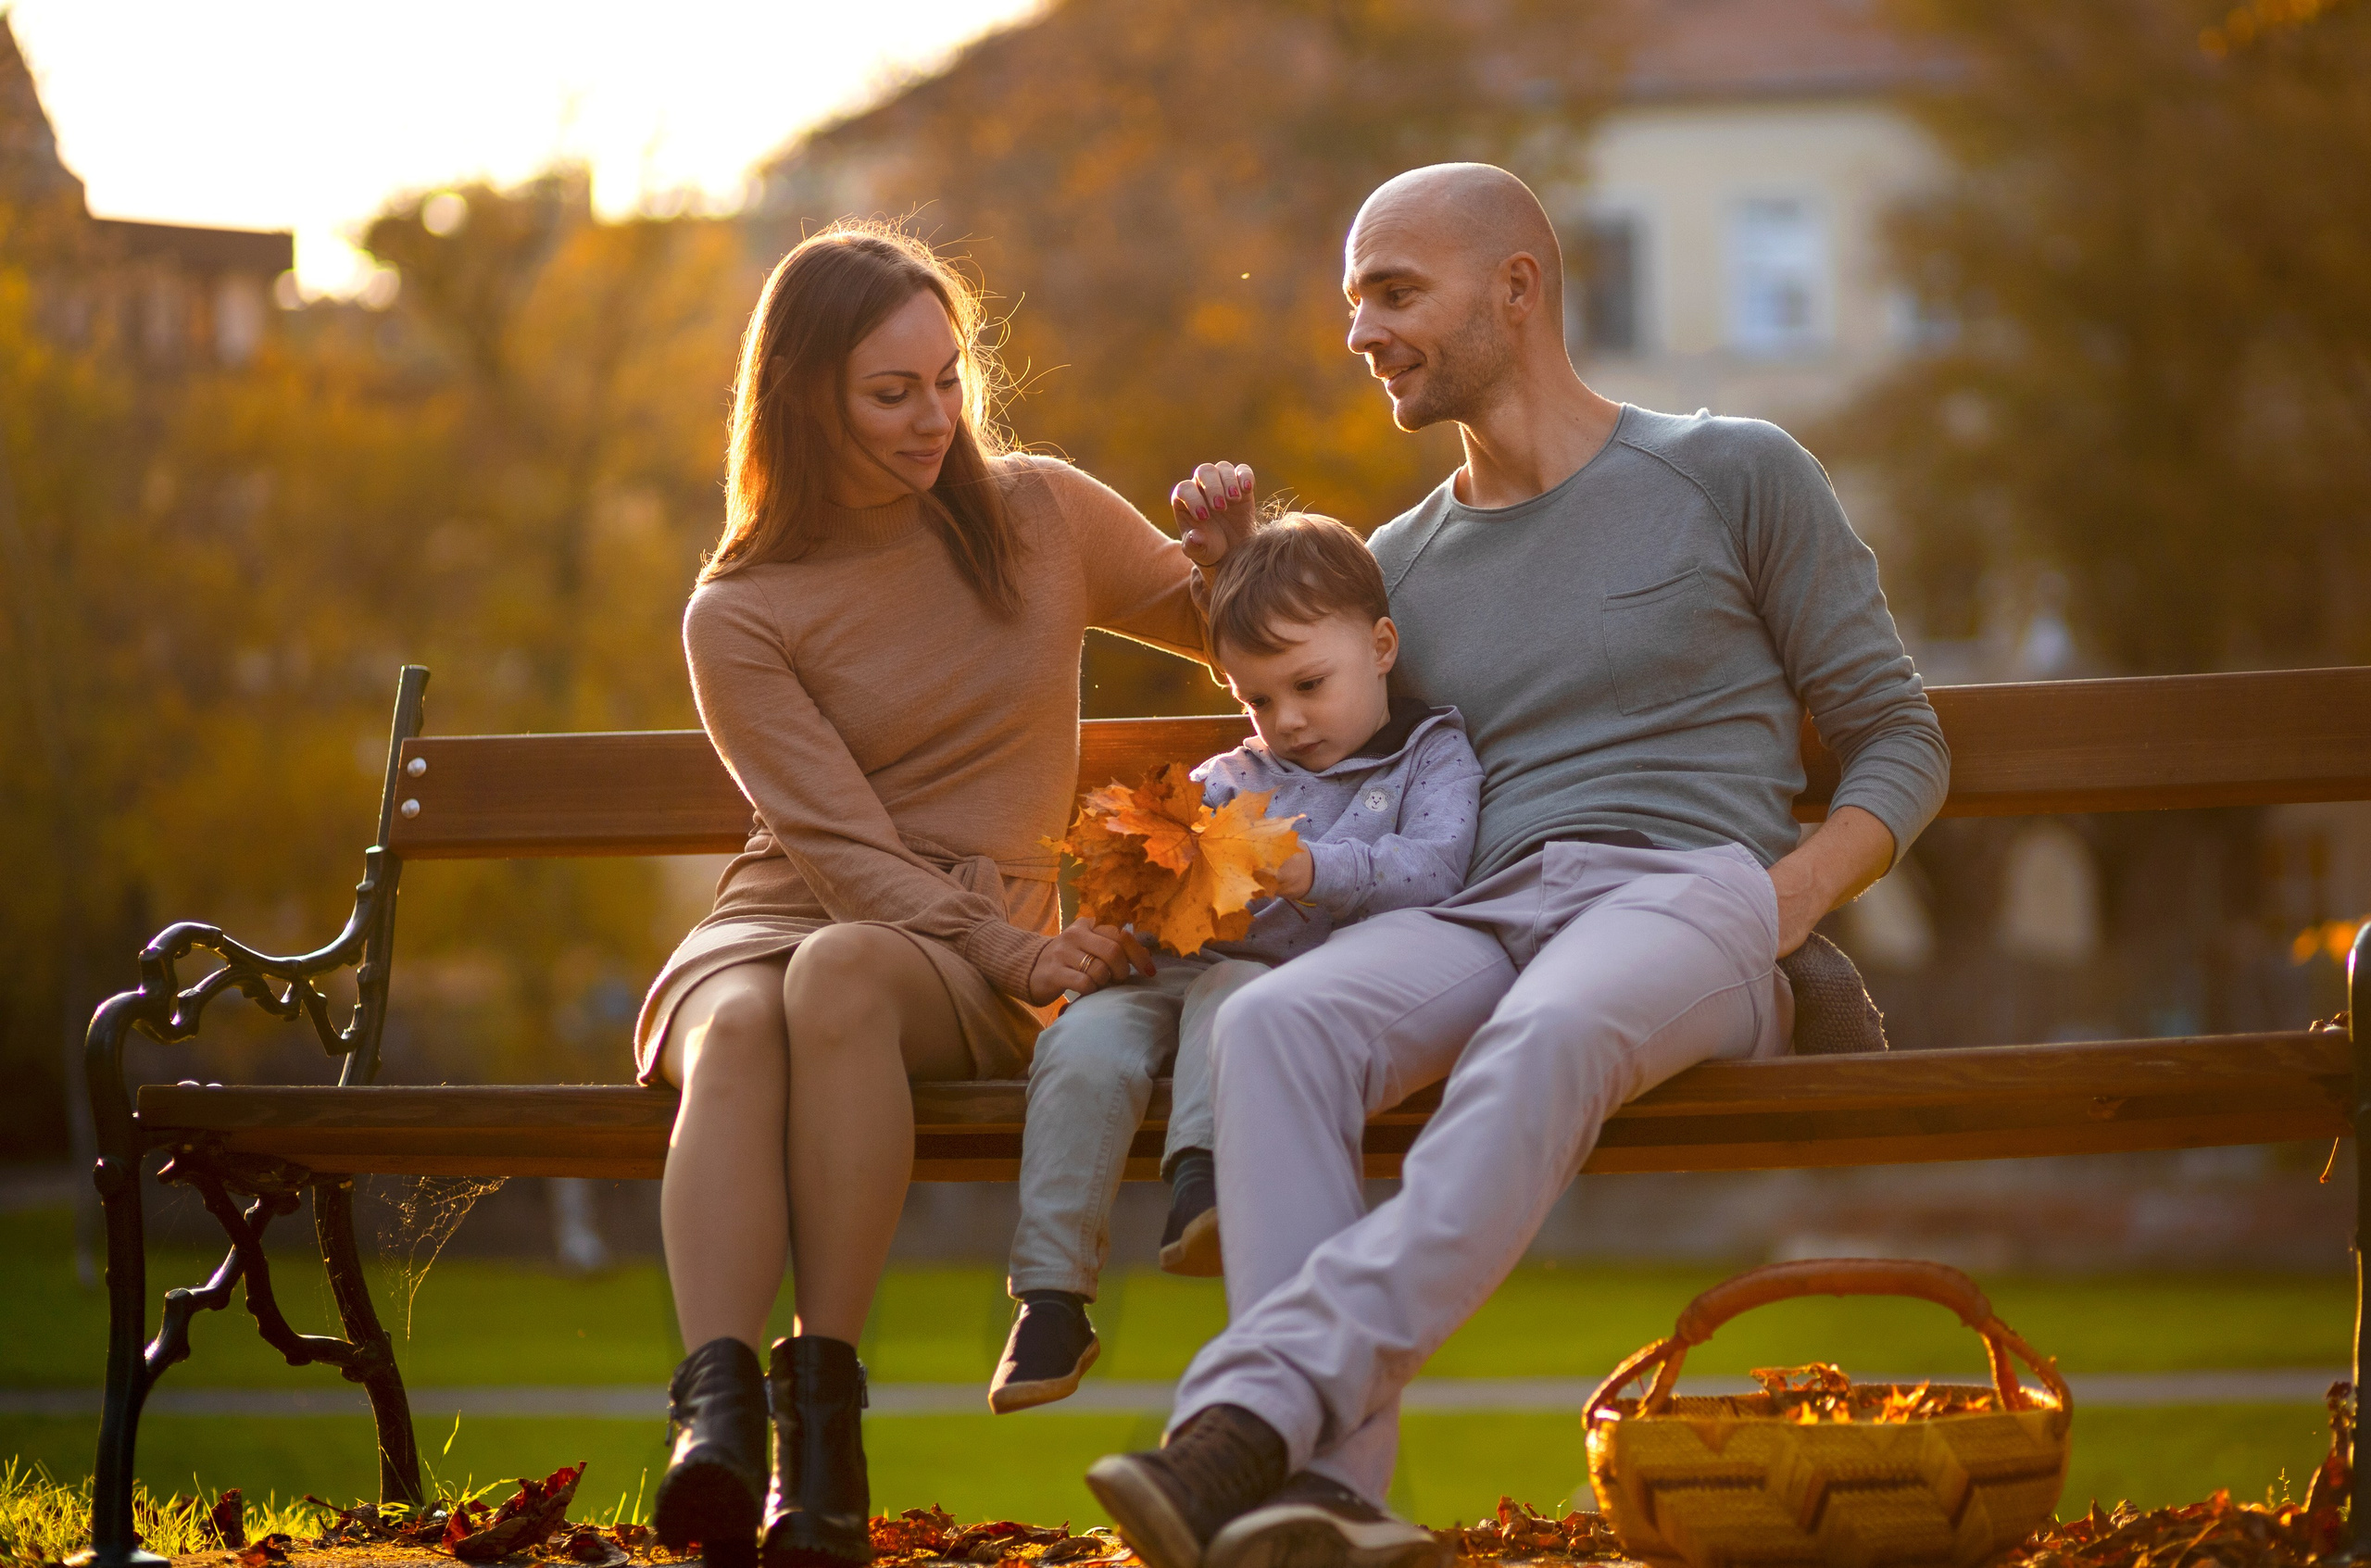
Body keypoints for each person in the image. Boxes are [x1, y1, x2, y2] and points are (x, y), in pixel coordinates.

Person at [1085, 164, 1951, 1568]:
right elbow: (1315, 741)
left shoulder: (1735, 472)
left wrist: (1782, 900)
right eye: (1352, 299)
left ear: (1518, 287)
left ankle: (1248, 1422)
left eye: (1393, 291)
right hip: (1484, 908)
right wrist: (1240, 577)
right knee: (1276, 1027)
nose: (1360, 330)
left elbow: (1900, 739)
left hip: (1685, 898)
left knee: (1544, 1034)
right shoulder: (1394, 568)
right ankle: (1334, 1499)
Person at [636, 221, 1256, 1568]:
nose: (934, 418)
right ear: (803, 394)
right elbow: (833, 843)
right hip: (789, 908)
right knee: (746, 1018)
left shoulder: (1036, 514)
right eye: (891, 391)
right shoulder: (739, 610)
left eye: (946, 379)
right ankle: (716, 1420)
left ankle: (828, 1419)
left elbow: (1245, 641)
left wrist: (1238, 550)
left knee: (841, 976)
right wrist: (1016, 951)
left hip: (939, 956)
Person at [992, 514, 1484, 1414]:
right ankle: (1051, 1298)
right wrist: (1129, 917)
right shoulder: (1229, 773)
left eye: (1308, 684)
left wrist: (1311, 868)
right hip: (1170, 976)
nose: (1286, 721)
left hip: (1275, 983)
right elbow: (1162, 885)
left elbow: (1435, 868)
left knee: (1235, 992)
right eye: (1259, 700)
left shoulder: (1429, 753)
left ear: (1380, 647)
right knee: (1080, 1045)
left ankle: (1200, 1189)